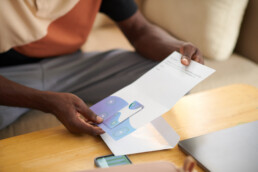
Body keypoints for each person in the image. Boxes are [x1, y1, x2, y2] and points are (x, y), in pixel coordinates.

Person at [0, 0, 204, 136]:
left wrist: (175, 50)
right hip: (9, 75)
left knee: (176, 75)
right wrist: (46, 101)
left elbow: (139, 29)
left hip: (74, 67)